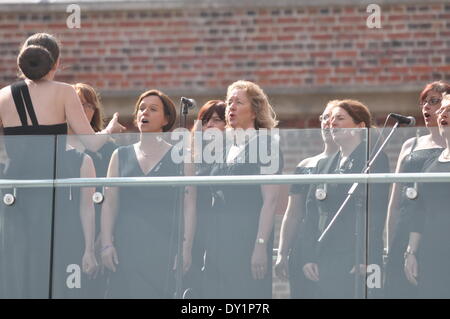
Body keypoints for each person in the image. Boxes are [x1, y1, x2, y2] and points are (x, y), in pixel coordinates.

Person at [0, 32, 122, 298]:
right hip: (52, 194)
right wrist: (109, 129)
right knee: (53, 273)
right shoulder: (65, 92)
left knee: (19, 269)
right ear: (56, 63)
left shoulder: (3, 96)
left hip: (15, 194)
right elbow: (91, 144)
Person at [100, 89, 195, 298]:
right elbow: (110, 203)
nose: (145, 113)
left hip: (164, 247)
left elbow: (190, 205)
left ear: (166, 119)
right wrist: (107, 244)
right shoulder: (120, 155)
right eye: (141, 109)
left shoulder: (181, 157)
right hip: (126, 247)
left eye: (153, 109)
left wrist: (186, 248)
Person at [301, 100, 390, 298]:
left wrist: (366, 255)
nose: (333, 123)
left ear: (360, 127)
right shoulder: (323, 166)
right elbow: (311, 216)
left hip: (357, 258)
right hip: (325, 258)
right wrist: (308, 256)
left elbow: (376, 212)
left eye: (340, 119)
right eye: (331, 119)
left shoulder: (374, 159)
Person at [203, 80, 282, 298]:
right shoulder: (223, 147)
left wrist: (260, 247)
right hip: (218, 240)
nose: (231, 107)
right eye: (229, 102)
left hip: (247, 239)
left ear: (255, 110)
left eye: (238, 102)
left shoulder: (266, 145)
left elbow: (270, 201)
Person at [384, 81, 450, 298]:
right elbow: (395, 202)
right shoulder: (411, 145)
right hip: (408, 229)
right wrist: (390, 242)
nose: (427, 108)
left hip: (436, 233)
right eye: (424, 102)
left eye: (435, 101)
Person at [275, 100, 339, 298]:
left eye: (334, 118)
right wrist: (282, 253)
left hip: (336, 248)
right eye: (324, 118)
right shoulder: (306, 164)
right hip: (304, 247)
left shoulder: (352, 163)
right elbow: (293, 213)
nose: (327, 123)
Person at [404, 94, 450, 298]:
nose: (443, 114)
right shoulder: (430, 162)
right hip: (431, 250)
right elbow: (419, 211)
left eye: (449, 110)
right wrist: (411, 252)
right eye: (442, 110)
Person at [183, 100, 226, 298]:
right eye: (205, 120)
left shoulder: (231, 158)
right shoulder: (190, 158)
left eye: (217, 120)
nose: (209, 125)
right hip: (194, 233)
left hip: (221, 233)